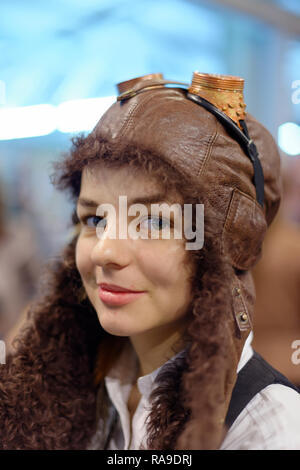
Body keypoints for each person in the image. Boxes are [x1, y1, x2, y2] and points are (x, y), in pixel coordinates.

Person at [0, 72, 299, 450]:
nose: (105, 251)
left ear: (224, 246)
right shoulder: (67, 389)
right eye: (95, 219)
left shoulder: (269, 429)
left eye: (154, 222)